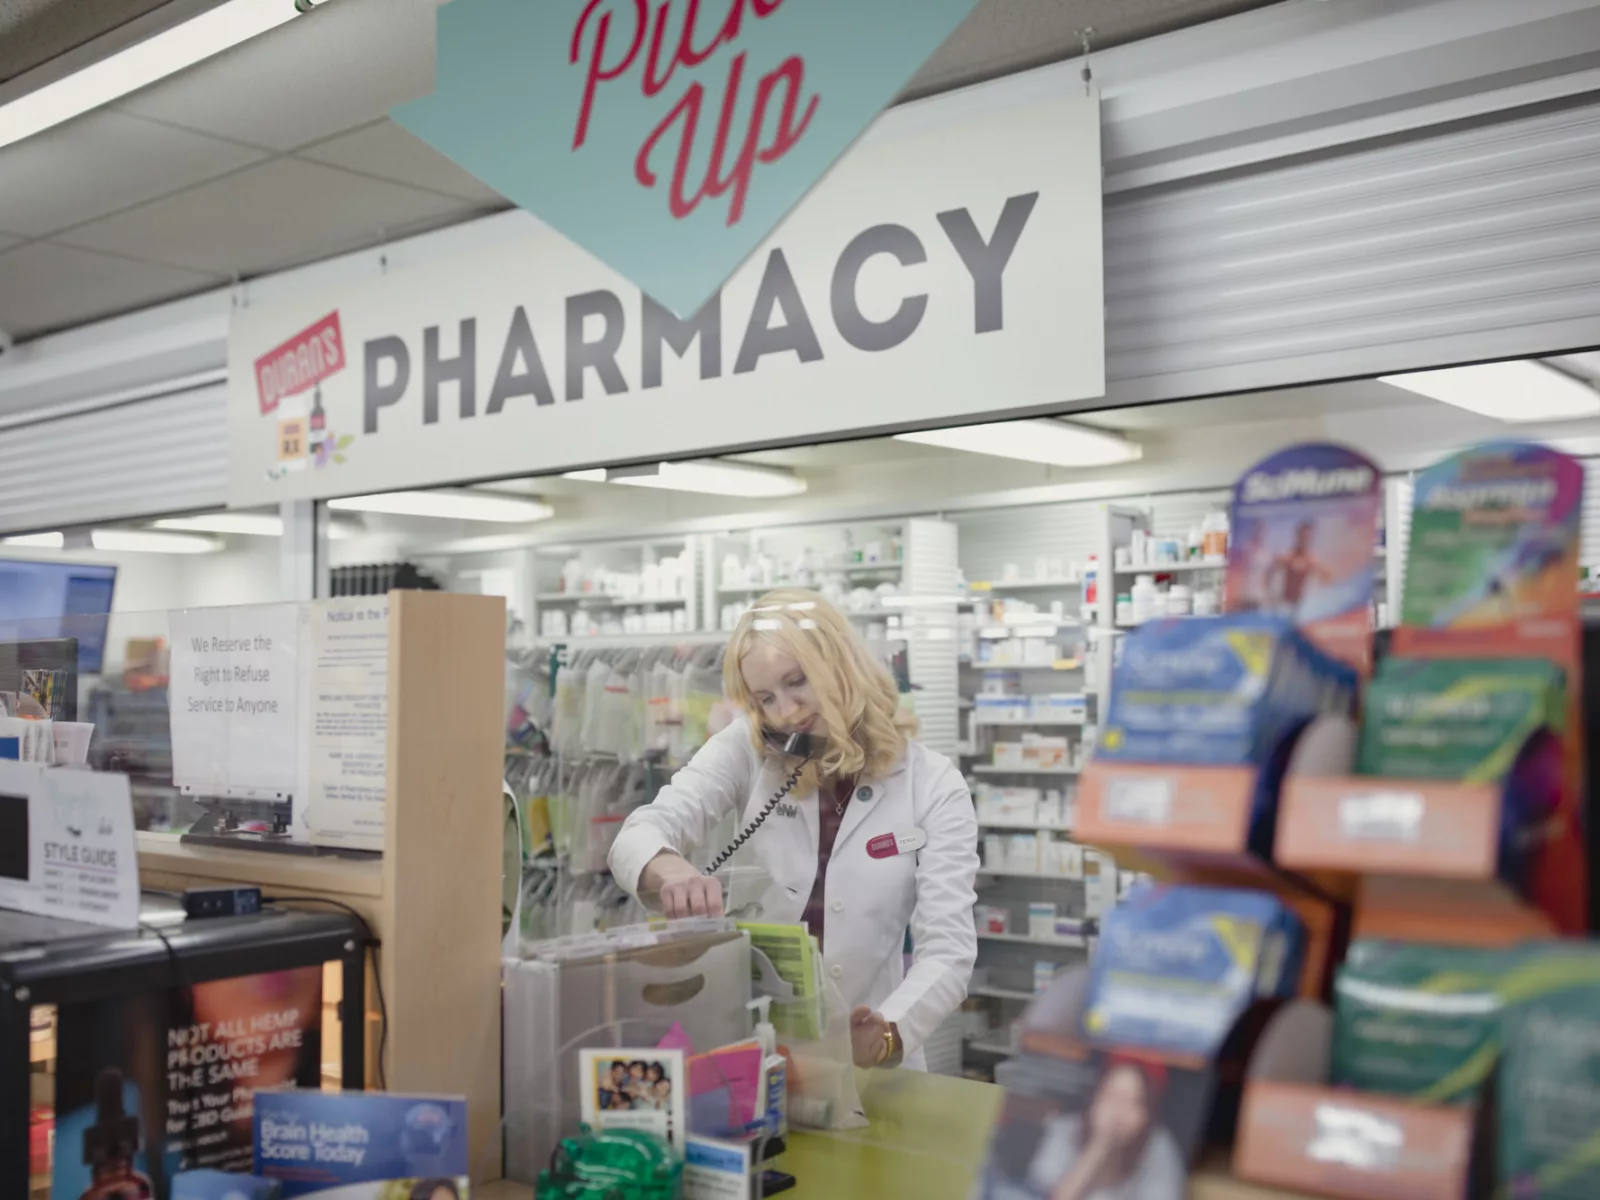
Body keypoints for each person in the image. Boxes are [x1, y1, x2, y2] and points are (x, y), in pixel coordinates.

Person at [608, 589, 979, 1071]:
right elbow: (640, 832)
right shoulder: (749, 748)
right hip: (752, 1049)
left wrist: (888, 1031)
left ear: (839, 662)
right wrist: (670, 870)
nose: (786, 711)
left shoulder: (933, 784)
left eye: (796, 681)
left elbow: (948, 948)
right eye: (765, 698)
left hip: (869, 1058)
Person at [1025, 1058, 1185, 1200]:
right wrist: (1099, 1144)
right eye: (1112, 1097)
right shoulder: (1065, 1129)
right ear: (1095, 1101)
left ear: (1146, 1114)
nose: (1118, 1111)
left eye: (1133, 1101)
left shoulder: (1158, 1147)